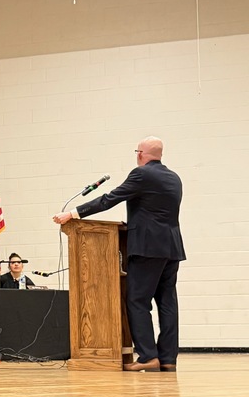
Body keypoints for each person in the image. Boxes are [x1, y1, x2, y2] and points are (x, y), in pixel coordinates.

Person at [53, 136, 184, 372]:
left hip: (147, 247)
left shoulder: (141, 174)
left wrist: (73, 214)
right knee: (167, 303)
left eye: (137, 151)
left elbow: (109, 199)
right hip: (172, 248)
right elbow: (154, 211)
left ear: (141, 154)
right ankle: (167, 359)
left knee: (137, 300)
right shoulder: (174, 178)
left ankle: (147, 357)